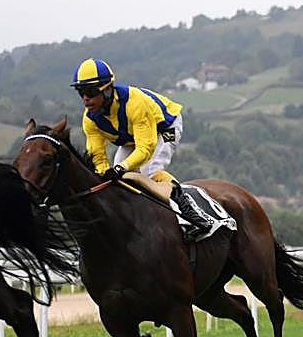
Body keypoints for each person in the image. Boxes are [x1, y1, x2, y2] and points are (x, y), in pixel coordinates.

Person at [71, 57, 215, 238]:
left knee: (150, 169)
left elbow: (145, 149)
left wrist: (120, 168)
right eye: (81, 92)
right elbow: (98, 157)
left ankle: (191, 212)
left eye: (90, 91)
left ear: (107, 90)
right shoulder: (90, 119)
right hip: (133, 138)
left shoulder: (134, 104)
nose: (85, 98)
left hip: (165, 127)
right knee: (118, 180)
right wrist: (105, 174)